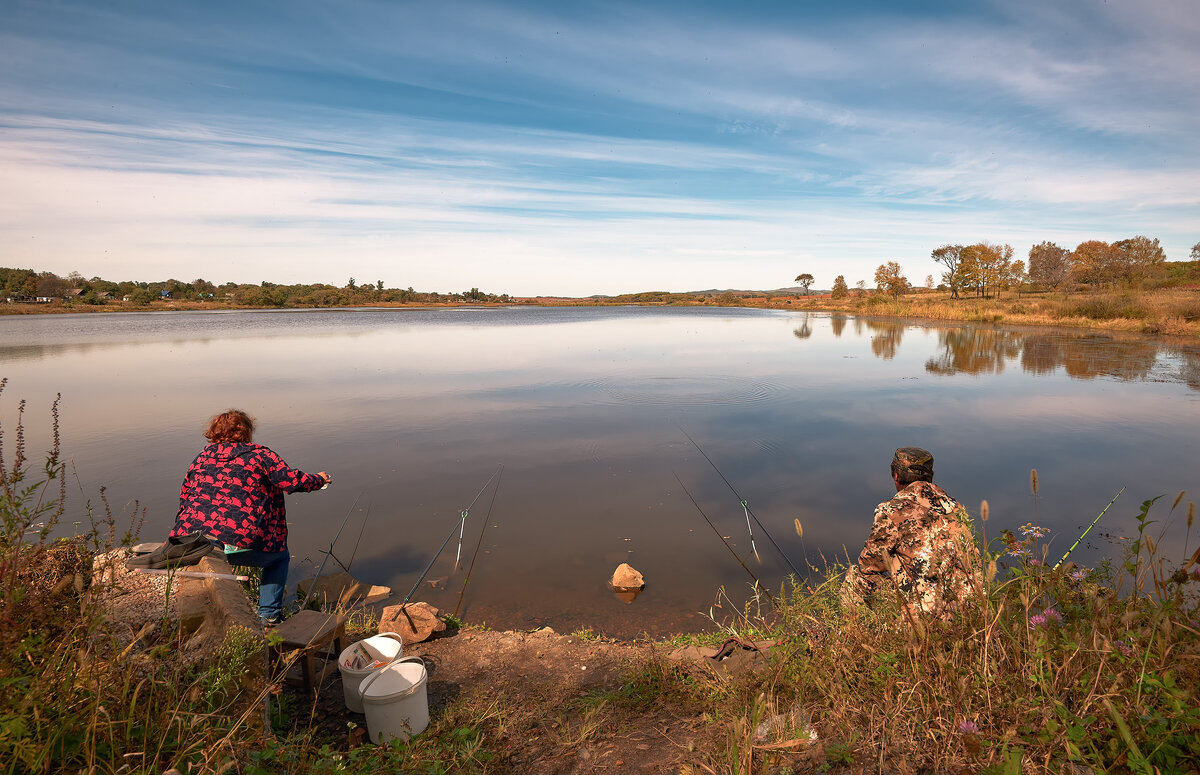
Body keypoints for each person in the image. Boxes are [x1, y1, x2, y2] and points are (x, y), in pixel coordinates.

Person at [170, 409, 330, 624]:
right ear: (247, 431)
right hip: (239, 542)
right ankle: (269, 616)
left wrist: (175, 537)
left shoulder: (201, 458)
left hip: (195, 541)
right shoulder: (260, 455)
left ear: (214, 432)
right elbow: (291, 481)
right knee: (279, 558)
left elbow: (185, 497)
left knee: (230, 549)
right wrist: (319, 479)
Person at [841, 447, 981, 617]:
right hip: (966, 613)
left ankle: (854, 634)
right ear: (929, 477)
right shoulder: (956, 508)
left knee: (856, 578)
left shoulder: (892, 510)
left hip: (924, 614)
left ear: (896, 476)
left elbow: (869, 565)